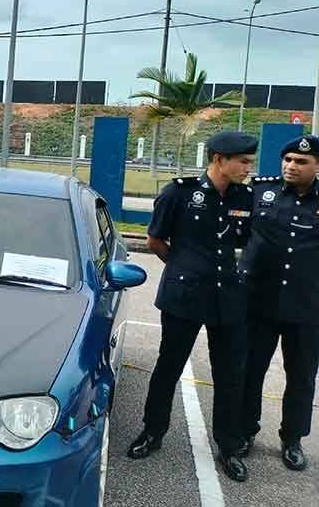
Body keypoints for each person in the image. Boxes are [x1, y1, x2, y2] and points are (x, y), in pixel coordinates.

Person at [127, 130, 258, 483]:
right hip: (184, 296)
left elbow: (244, 241)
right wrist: (183, 266)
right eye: (243, 161)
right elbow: (155, 239)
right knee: (168, 366)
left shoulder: (246, 196)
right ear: (219, 160)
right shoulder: (179, 193)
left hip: (228, 297)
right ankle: (153, 431)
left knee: (230, 375)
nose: (249, 168)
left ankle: (229, 446)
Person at [240, 135, 319, 471]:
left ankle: (292, 438)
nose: (291, 166)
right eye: (287, 159)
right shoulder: (261, 190)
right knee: (250, 371)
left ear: (317, 166)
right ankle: (244, 431)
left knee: (301, 376)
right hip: (260, 303)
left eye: (300, 162)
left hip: (307, 307)